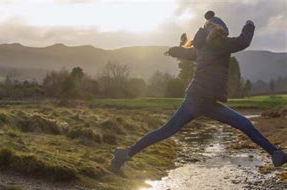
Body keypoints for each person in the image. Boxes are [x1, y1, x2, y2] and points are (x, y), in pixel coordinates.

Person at [111, 11, 287, 173]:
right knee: (244, 124)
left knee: (165, 131)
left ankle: (125, 153)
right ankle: (275, 153)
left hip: (198, 100)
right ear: (221, 31)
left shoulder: (202, 47)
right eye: (224, 32)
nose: (224, 35)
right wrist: (249, 24)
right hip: (202, 100)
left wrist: (174, 51)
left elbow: (188, 53)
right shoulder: (221, 44)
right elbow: (243, 41)